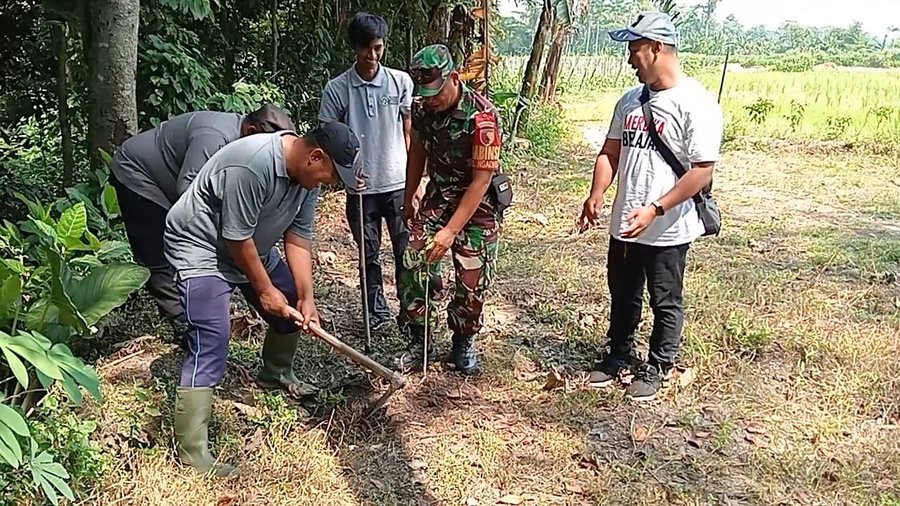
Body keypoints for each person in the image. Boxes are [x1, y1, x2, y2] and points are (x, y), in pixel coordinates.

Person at [163, 122, 362, 477]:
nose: (326, 183)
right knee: (211, 338)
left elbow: (298, 238)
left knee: (290, 309)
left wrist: (306, 297)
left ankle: (276, 374)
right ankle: (192, 453)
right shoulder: (252, 164)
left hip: (255, 243)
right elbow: (237, 238)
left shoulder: (306, 177)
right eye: (329, 176)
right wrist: (265, 291)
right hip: (203, 247)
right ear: (316, 156)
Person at [577, 12, 724, 402]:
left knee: (665, 298)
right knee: (622, 293)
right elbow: (610, 152)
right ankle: (618, 355)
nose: (629, 60)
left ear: (657, 48)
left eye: (634, 50)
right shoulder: (629, 101)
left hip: (668, 226)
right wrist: (597, 194)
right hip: (625, 221)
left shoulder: (697, 103)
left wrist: (656, 209)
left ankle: (658, 365)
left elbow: (701, 172)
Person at [108, 105, 295, 340]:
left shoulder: (253, 150)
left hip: (171, 177)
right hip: (139, 174)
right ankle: (181, 320)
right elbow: (190, 194)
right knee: (157, 251)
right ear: (250, 130)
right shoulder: (213, 138)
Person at [394, 44, 504, 376]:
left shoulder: (483, 117)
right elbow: (417, 155)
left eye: (436, 91)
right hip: (439, 197)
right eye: (425, 93)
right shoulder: (423, 110)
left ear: (454, 78)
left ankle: (463, 338)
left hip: (478, 208)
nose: (431, 99)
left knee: (471, 281)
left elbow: (482, 181)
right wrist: (408, 196)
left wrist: (450, 231)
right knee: (412, 257)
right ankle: (419, 337)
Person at [318, 11, 417, 331]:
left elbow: (409, 130)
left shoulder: (400, 81)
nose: (372, 55)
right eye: (366, 49)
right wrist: (347, 176)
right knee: (369, 255)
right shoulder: (337, 89)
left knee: (405, 253)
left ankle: (409, 310)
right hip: (360, 189)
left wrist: (415, 177)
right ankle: (376, 313)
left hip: (398, 183)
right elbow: (329, 138)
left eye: (378, 48)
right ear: (354, 48)